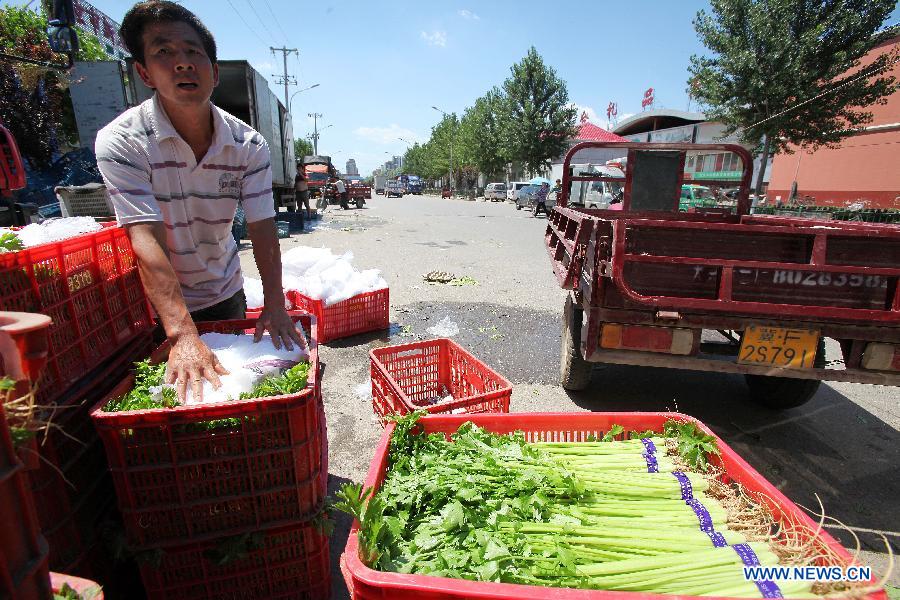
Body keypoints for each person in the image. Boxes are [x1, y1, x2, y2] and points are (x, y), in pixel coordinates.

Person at [95, 1, 304, 403]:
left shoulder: (248, 144)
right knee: (177, 401)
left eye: (193, 53)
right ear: (144, 72)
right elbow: (145, 237)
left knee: (233, 397)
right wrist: (182, 333)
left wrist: (275, 302)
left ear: (214, 70)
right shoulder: (123, 141)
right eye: (163, 52)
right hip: (160, 309)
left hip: (224, 289)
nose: (182, 63)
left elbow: (262, 227)